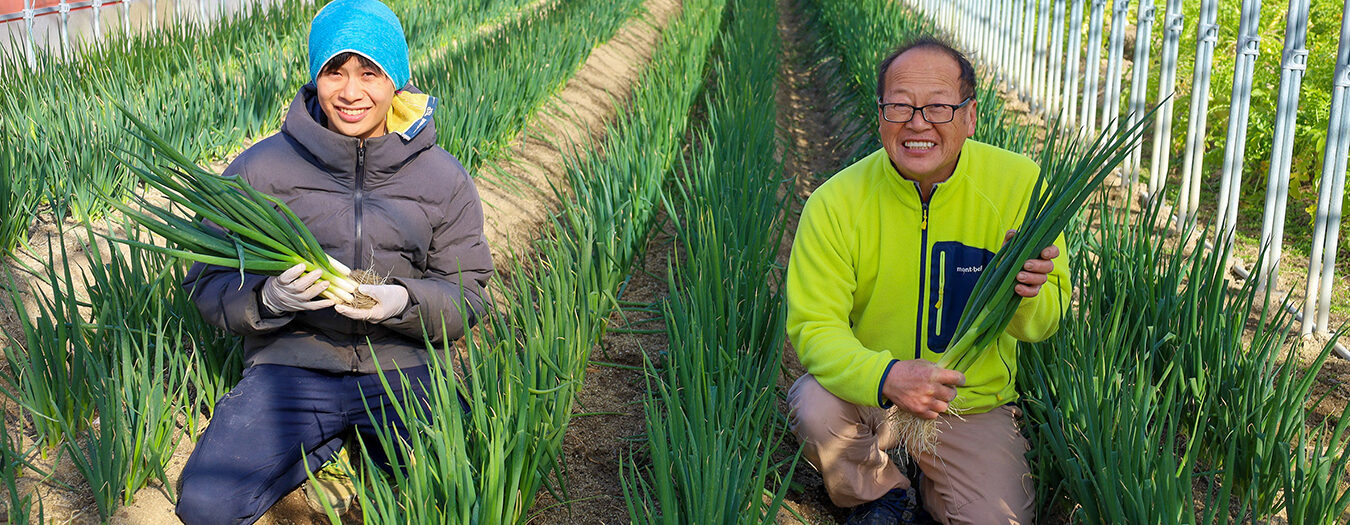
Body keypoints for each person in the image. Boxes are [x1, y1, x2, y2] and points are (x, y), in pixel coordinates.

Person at [173, 1, 493, 523]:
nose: (350, 92)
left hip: (403, 367)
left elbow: (470, 293)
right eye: (333, 71)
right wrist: (266, 300)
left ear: (397, 82)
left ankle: (353, 447)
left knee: (462, 493)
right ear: (315, 77)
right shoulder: (262, 168)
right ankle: (325, 445)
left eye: (370, 72)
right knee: (207, 504)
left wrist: (402, 303)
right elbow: (204, 282)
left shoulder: (442, 178)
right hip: (294, 366)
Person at [784, 37, 1070, 525]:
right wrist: (889, 376)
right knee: (813, 405)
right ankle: (878, 494)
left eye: (939, 106)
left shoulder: (1018, 184)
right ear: (879, 115)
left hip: (968, 406)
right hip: (870, 396)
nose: (918, 122)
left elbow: (1043, 324)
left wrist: (1028, 294)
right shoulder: (835, 203)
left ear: (971, 115)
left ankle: (936, 485)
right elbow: (814, 328)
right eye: (900, 105)